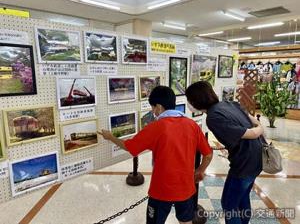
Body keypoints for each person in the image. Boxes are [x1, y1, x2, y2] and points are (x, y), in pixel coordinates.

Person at [98, 86, 213, 224]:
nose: (152, 111)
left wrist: (110, 137)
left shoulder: (155, 127)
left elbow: (130, 147)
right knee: (186, 221)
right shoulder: (192, 125)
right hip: (186, 188)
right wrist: (199, 171)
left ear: (158, 107)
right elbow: (208, 154)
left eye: (152, 107)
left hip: (161, 190)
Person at [185, 81, 264, 224]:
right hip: (257, 158)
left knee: (229, 205)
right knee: (243, 197)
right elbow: (252, 121)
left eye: (189, 100)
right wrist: (259, 126)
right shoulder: (229, 103)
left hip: (244, 163)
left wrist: (260, 129)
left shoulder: (213, 117)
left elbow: (251, 132)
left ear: (196, 101)